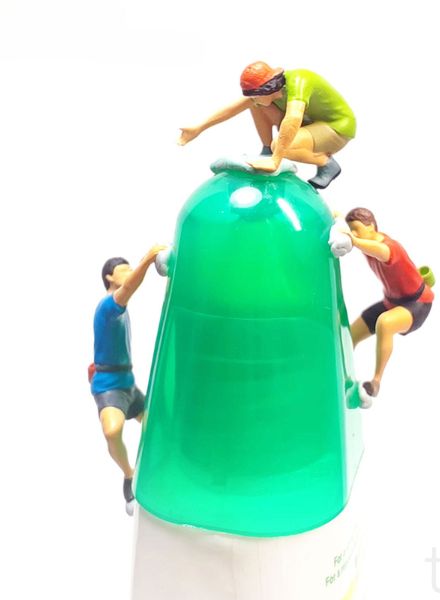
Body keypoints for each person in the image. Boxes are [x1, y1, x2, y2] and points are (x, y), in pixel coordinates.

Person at [178, 61, 356, 189]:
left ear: (267, 88)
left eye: (256, 95)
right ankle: (267, 150)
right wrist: (199, 128)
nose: (253, 98)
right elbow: (232, 108)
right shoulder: (268, 94)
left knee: (280, 145)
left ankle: (326, 163)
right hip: (309, 122)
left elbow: (293, 119)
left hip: (336, 127)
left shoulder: (299, 81)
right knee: (255, 106)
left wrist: (277, 158)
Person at [90, 246, 164, 512]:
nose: (129, 273)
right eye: (124, 270)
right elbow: (131, 286)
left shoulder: (120, 307)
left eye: (131, 268)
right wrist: (149, 258)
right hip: (108, 386)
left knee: (159, 423)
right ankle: (128, 474)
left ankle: (157, 470)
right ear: (110, 277)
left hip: (128, 382)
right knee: (112, 431)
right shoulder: (108, 306)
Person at [344, 208, 434, 404]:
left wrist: (353, 240)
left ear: (371, 226)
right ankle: (343, 374)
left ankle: (375, 382)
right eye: (352, 230)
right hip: (391, 302)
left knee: (385, 323)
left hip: (417, 304)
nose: (354, 233)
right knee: (350, 334)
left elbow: (381, 252)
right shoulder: (366, 243)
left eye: (357, 229)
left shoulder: (389, 247)